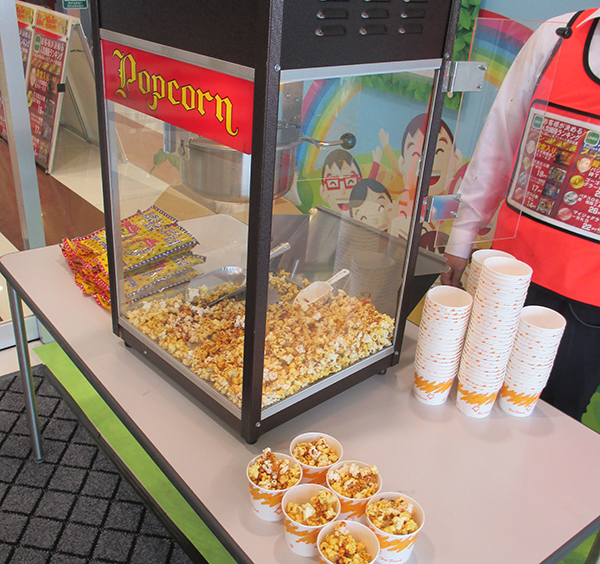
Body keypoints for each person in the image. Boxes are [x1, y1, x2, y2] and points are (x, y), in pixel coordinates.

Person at [441, 9, 600, 420]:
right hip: (511, 272)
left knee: (556, 415)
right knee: (471, 390)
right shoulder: (557, 36)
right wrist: (463, 238)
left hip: (591, 305)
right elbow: (501, 138)